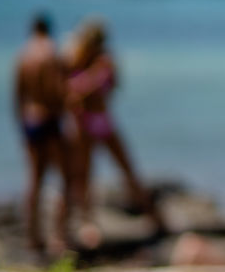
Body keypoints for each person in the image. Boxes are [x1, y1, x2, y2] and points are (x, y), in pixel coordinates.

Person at [64, 19, 166, 237]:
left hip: (95, 120)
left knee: (122, 169)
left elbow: (92, 90)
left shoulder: (99, 62)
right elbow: (76, 92)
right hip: (89, 121)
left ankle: (151, 216)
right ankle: (87, 223)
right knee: (85, 174)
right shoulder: (81, 61)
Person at [13, 13, 77, 255]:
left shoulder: (23, 55)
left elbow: (17, 96)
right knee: (65, 177)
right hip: (50, 119)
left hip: (29, 120)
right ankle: (59, 236)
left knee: (34, 179)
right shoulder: (51, 51)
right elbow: (55, 89)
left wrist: (21, 126)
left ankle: (32, 236)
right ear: (49, 29)